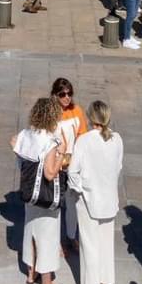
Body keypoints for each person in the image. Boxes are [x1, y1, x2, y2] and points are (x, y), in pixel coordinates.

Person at [13, 97, 68, 284]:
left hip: (29, 194)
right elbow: (50, 173)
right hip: (45, 197)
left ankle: (30, 273)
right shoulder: (49, 141)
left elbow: (15, 148)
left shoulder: (25, 134)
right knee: (47, 238)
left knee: (30, 232)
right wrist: (62, 152)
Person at [67, 100, 122, 284]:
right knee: (106, 242)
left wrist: (80, 189)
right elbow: (118, 166)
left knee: (89, 245)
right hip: (109, 199)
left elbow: (73, 172)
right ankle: (105, 280)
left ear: (90, 118)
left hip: (89, 200)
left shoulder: (84, 140)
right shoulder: (117, 139)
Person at [52, 78, 88, 255]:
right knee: (56, 204)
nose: (67, 98)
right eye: (62, 94)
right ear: (55, 95)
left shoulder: (77, 110)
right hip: (57, 165)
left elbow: (82, 135)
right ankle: (56, 241)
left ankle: (71, 235)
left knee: (72, 203)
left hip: (73, 165)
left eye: (69, 94)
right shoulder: (51, 113)